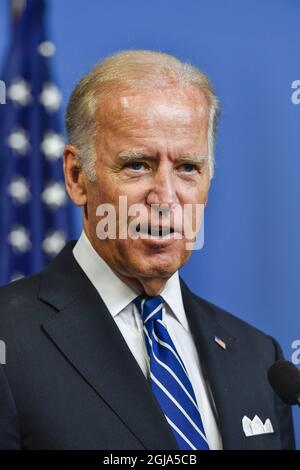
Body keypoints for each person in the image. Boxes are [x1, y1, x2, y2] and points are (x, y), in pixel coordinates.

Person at [0, 50, 295, 450]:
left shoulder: (260, 357)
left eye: (188, 167)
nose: (166, 198)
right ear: (76, 177)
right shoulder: (9, 340)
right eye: (137, 165)